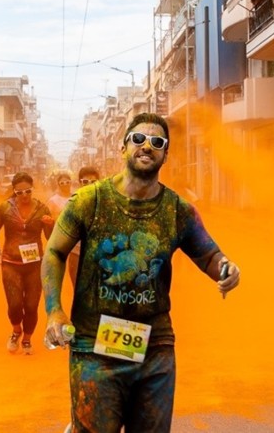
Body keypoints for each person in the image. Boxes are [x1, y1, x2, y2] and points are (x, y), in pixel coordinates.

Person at [42, 113, 240, 433]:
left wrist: (228, 269)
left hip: (155, 352)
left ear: (165, 154)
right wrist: (54, 312)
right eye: (138, 139)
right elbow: (54, 252)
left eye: (157, 142)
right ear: (123, 147)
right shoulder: (89, 201)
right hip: (95, 349)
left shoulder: (178, 211)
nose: (147, 146)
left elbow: (210, 256)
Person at [0, 171, 54, 355]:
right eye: (19, 192)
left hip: (34, 264)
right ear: (14, 191)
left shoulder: (42, 209)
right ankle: (16, 330)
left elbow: (50, 237)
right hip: (10, 262)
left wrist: (50, 225)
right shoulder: (4, 208)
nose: (24, 196)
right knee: (15, 304)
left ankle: (27, 339)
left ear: (32, 190)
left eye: (28, 191)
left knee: (32, 306)